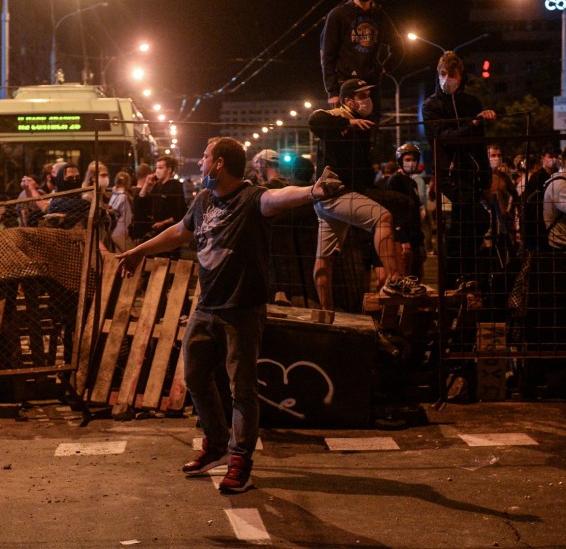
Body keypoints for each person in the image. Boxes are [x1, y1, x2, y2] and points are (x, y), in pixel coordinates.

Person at [115, 137, 343, 494]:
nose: (201, 164)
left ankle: (240, 462)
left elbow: (278, 198)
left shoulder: (252, 199)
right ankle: (217, 445)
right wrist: (139, 251)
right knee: (194, 377)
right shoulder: (204, 200)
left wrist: (314, 191)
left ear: (219, 164)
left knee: (242, 389)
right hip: (206, 306)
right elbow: (180, 232)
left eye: (205, 158)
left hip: (241, 310)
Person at [308, 78, 419, 312]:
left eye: (368, 94)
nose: (367, 100)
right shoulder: (336, 117)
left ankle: (326, 314)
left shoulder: (363, 127)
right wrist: (348, 119)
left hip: (335, 198)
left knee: (324, 259)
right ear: (348, 100)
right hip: (334, 194)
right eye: (362, 96)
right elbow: (315, 119)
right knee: (383, 218)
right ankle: (396, 280)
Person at [421, 51, 496, 289]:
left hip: (472, 175)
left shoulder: (471, 103)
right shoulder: (431, 105)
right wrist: (471, 124)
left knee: (463, 225)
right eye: (442, 74)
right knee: (478, 217)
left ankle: (457, 275)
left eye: (451, 74)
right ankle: (457, 269)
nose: (446, 79)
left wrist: (486, 181)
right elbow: (443, 138)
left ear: (460, 76)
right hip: (449, 175)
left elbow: (480, 146)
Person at [320, 0, 403, 119]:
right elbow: (328, 55)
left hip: (371, 85)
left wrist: (385, 68)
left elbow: (399, 47)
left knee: (371, 129)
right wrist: (332, 92)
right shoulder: (338, 15)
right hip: (345, 85)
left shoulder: (380, 16)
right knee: (347, 132)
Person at [384, 144, 426, 278]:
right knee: (405, 277)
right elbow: (394, 211)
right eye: (407, 159)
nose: (411, 163)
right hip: (404, 239)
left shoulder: (411, 182)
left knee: (416, 277)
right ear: (400, 161)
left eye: (414, 160)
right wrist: (403, 239)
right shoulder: (395, 181)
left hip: (415, 237)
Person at [132, 156, 187, 243]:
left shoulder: (175, 186)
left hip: (168, 235)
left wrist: (163, 223)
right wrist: (146, 183)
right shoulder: (157, 186)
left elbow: (181, 213)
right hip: (154, 234)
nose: (157, 170)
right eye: (156, 168)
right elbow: (140, 201)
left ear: (169, 170)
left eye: (160, 168)